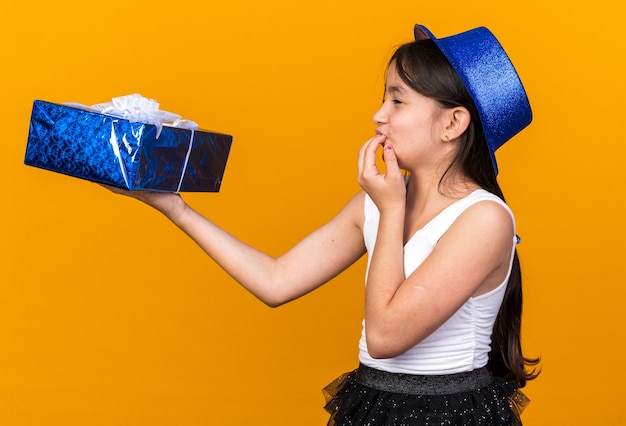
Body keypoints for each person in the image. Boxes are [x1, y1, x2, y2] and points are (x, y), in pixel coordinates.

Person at [105, 23, 540, 425]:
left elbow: (386, 337)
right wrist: (173, 207)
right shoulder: (377, 202)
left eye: (397, 99)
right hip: (375, 403)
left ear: (453, 123)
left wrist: (390, 211)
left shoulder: (484, 219)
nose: (379, 116)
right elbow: (276, 282)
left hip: (452, 413)